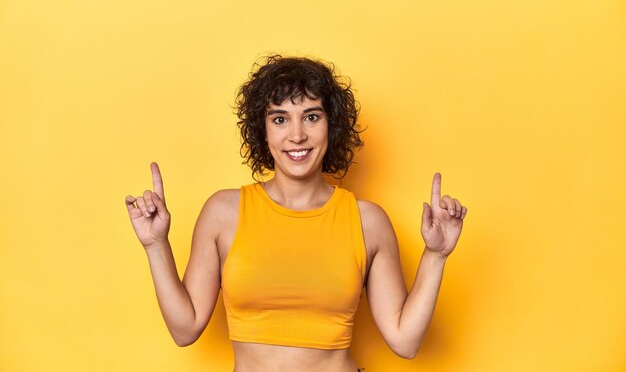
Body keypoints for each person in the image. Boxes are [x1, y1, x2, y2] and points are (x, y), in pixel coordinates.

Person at [124, 54, 468, 372]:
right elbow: (185, 329)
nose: (297, 135)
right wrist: (156, 245)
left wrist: (436, 254)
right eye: (280, 119)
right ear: (263, 130)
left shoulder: (368, 221)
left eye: (312, 117)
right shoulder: (223, 213)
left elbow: (405, 341)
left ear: (331, 127)